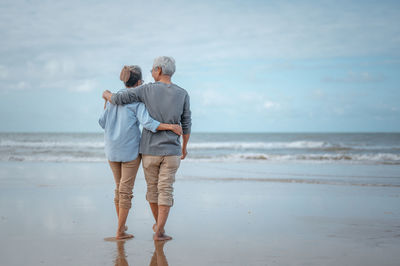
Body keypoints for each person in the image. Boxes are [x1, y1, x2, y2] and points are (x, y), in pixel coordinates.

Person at [102, 56, 192, 241]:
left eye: (152, 69)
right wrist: (182, 144)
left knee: (140, 189)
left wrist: (106, 96)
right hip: (154, 150)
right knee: (161, 190)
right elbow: (179, 123)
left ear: (159, 70)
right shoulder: (181, 93)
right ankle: (154, 230)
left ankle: (141, 226)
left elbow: (111, 109)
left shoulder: (142, 91)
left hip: (133, 150)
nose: (152, 72)